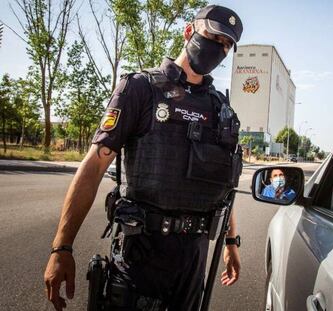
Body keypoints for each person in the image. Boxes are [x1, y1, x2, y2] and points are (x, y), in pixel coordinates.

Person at [44, 5, 243, 311]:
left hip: (194, 257)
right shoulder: (139, 88)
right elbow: (94, 165)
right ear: (189, 32)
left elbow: (222, 184)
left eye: (226, 45)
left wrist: (231, 242)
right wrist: (62, 246)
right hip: (141, 253)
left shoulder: (220, 110)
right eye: (213, 38)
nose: (219, 49)